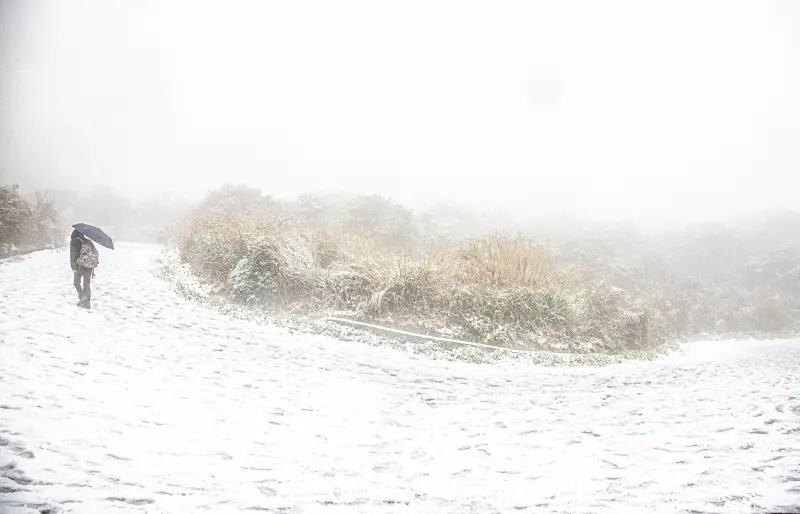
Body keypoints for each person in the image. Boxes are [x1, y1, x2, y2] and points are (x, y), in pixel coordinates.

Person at [70, 229, 99, 308]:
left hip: (79, 266)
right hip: (89, 266)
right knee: (86, 284)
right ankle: (87, 303)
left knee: (76, 283)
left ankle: (83, 297)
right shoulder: (88, 241)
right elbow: (95, 253)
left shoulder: (74, 242)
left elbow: (73, 255)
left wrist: (73, 267)